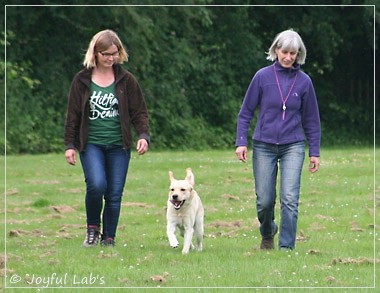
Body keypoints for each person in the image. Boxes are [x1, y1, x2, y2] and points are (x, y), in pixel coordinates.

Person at [235, 29, 321, 250]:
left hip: (293, 145)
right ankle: (267, 232)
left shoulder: (304, 82)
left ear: (298, 54)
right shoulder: (262, 77)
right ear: (276, 50)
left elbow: (312, 119)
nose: (288, 57)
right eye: (284, 52)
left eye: (293, 53)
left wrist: (314, 152)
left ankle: (286, 248)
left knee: (290, 199)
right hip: (264, 145)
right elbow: (245, 112)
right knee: (264, 200)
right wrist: (241, 141)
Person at [64, 29, 150, 247]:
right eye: (106, 54)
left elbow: (139, 111)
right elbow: (72, 114)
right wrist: (70, 145)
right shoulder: (82, 80)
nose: (110, 58)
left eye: (114, 53)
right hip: (91, 144)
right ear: (95, 53)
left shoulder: (126, 80)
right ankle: (92, 229)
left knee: (114, 193)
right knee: (96, 184)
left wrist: (143, 135)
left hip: (119, 146)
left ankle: (109, 238)